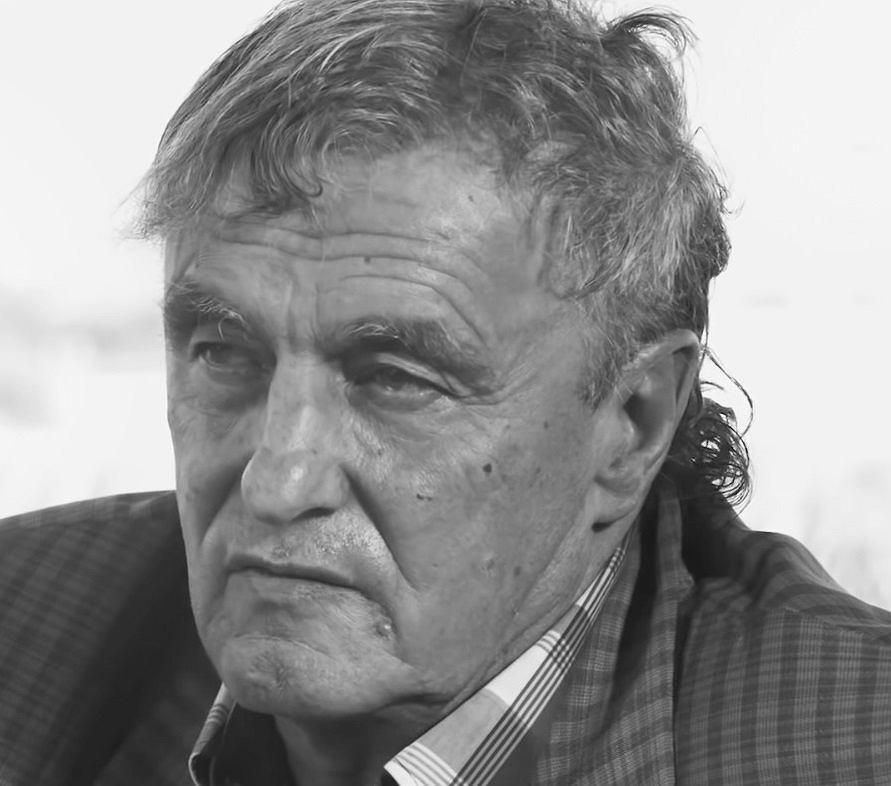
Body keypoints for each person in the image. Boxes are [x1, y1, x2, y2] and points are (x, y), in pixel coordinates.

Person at [1, 0, 889, 783]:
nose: (278, 482)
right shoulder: (23, 634)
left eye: (394, 380)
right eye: (223, 355)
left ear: (632, 421)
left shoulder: (851, 746)